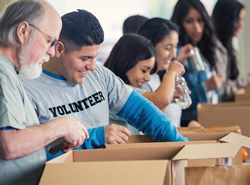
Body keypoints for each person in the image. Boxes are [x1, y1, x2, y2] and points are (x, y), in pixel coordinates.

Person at [20, 9, 188, 159]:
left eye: (95, 57)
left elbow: (143, 112)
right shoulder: (28, 89)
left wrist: (184, 147)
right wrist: (95, 137)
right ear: (59, 49)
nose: (92, 66)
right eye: (85, 58)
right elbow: (33, 156)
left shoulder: (99, 74)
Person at [0, 1, 88, 185]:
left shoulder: (11, 72)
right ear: (23, 31)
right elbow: (9, 145)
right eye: (49, 41)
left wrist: (56, 139)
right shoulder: (2, 72)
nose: (51, 52)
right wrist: (61, 126)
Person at [104, 33, 185, 134]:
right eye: (144, 70)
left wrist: (169, 97)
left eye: (149, 72)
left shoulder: (138, 88)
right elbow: (161, 99)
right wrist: (171, 72)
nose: (147, 78)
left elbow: (159, 113)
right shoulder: (115, 90)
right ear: (126, 63)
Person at [170, 0, 222, 126]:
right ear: (179, 23)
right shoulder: (176, 55)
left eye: (200, 20)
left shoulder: (203, 50)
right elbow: (175, 103)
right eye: (189, 21)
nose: (197, 27)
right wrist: (205, 88)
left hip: (208, 121)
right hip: (189, 126)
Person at [138, 18, 193, 127]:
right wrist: (171, 73)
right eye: (168, 48)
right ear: (151, 46)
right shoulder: (142, 81)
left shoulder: (162, 77)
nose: (173, 54)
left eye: (175, 47)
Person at [212, 0, 250, 101]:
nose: (242, 25)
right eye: (238, 20)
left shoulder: (228, 47)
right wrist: (247, 80)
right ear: (227, 20)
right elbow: (221, 90)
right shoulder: (215, 49)